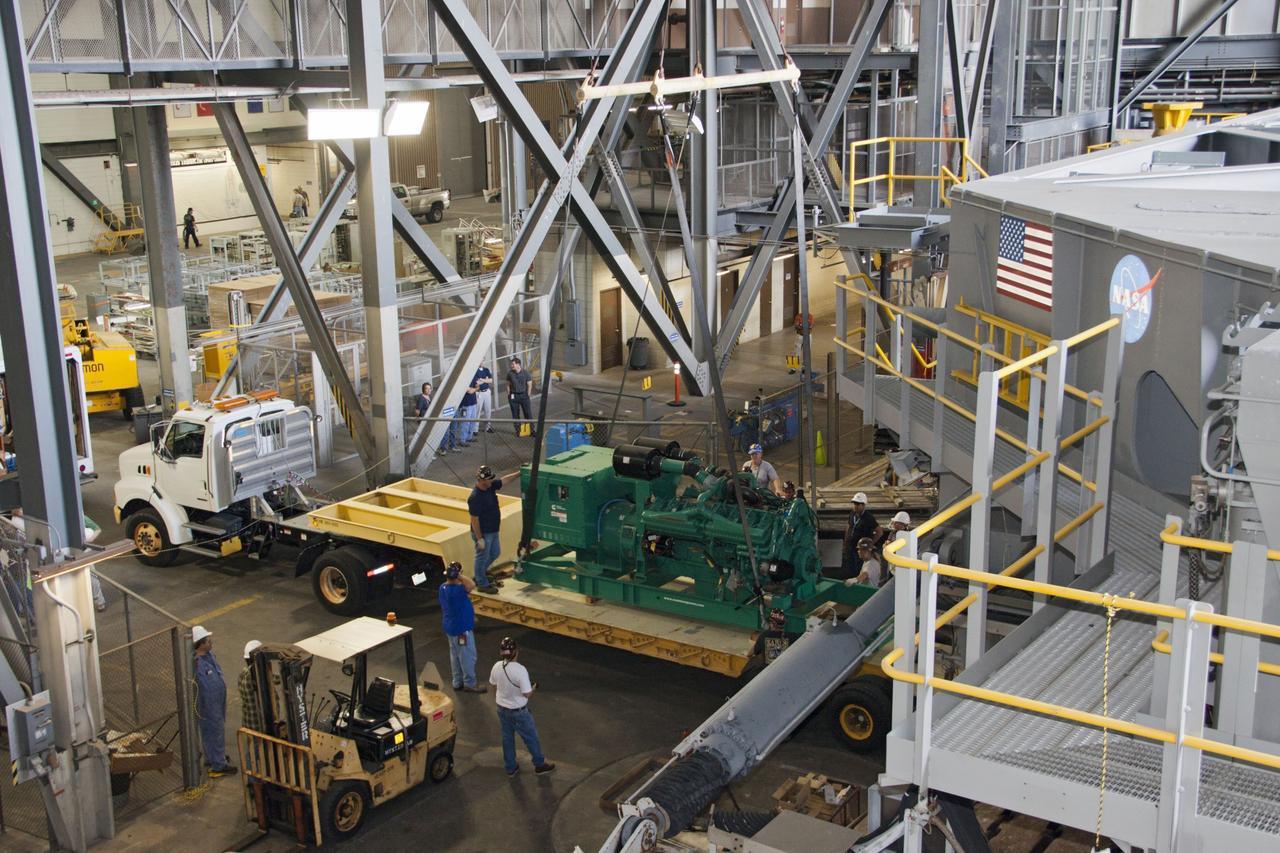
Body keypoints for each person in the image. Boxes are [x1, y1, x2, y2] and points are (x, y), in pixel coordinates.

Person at [488, 637, 554, 777]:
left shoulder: (496, 666)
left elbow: (493, 685)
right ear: (516, 652)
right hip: (519, 712)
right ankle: (539, 764)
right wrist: (534, 687)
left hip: (501, 709)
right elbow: (527, 694)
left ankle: (510, 767)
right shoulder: (520, 670)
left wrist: (501, 699)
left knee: (507, 738)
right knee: (531, 738)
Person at [468, 465, 520, 593]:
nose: (491, 481)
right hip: (484, 533)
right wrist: (480, 539)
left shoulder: (489, 487)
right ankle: (482, 584)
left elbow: (504, 480)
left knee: (495, 553)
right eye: (489, 480)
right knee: (481, 556)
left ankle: (480, 575)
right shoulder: (475, 497)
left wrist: (519, 473)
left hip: (493, 530)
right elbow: (474, 519)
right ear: (481, 481)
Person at [193, 625, 237, 776]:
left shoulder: (209, 655)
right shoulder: (197, 664)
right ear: (200, 643)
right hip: (209, 704)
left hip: (218, 701)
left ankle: (212, 757)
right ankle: (218, 764)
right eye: (207, 640)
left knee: (213, 730)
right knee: (215, 730)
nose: (211, 642)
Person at [439, 561, 486, 693]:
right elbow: (471, 584)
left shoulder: (442, 588)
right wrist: (459, 576)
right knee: (467, 656)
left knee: (455, 655)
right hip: (461, 630)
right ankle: (470, 683)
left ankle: (457, 681)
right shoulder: (458, 590)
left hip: (450, 628)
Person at [843, 492, 881, 578]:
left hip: (862, 549)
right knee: (850, 568)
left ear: (863, 505)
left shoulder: (868, 518)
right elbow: (849, 527)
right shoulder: (852, 514)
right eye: (854, 503)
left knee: (859, 569)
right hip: (851, 547)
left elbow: (879, 532)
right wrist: (845, 542)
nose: (855, 506)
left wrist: (870, 544)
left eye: (857, 504)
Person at [239, 640, 264, 733]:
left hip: (248, 721)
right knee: (260, 746)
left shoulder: (244, 672)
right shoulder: (257, 676)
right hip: (259, 725)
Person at [506, 357, 534, 435]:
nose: (511, 365)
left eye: (513, 364)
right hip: (513, 397)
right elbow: (508, 384)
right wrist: (509, 395)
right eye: (511, 364)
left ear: (518, 364)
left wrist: (527, 395)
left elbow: (530, 384)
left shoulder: (525, 373)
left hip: (524, 396)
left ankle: (531, 430)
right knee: (515, 414)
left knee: (528, 413)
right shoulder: (510, 373)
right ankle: (518, 431)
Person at [473, 360, 495, 433]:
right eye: (480, 360)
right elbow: (477, 383)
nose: (481, 362)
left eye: (482, 360)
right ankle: (475, 429)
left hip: (487, 392)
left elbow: (491, 380)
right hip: (479, 393)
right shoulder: (475, 371)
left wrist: (482, 379)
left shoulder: (486, 370)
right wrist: (486, 379)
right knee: (477, 411)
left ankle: (488, 427)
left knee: (488, 410)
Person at [459, 380, 479, 445]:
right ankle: (462, 440)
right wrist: (474, 389)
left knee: (473, 421)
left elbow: (478, 387)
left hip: (473, 403)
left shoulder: (472, 376)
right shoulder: (462, 379)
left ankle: (469, 437)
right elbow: (469, 391)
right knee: (465, 422)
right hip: (465, 405)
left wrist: (474, 389)